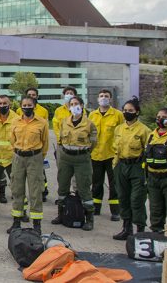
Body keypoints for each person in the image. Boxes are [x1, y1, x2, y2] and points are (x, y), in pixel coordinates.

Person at [52, 96, 97, 231]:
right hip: (66, 158)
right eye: (71, 104)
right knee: (63, 187)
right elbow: (60, 139)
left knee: (83, 189)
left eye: (76, 103)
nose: (74, 106)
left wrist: (83, 152)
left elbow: (94, 143)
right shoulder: (64, 122)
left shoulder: (89, 124)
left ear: (82, 105)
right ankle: (61, 214)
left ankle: (89, 218)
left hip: (82, 159)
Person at [6, 96, 50, 233]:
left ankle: (37, 225)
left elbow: (45, 143)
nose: (26, 107)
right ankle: (16, 222)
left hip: (34, 158)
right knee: (17, 189)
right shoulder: (15, 122)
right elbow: (12, 140)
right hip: (18, 157)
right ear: (20, 107)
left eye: (29, 105)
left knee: (35, 191)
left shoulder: (42, 123)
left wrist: (38, 157)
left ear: (34, 106)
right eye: (24, 105)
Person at [112, 97, 150, 240]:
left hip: (137, 167)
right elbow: (116, 148)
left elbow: (149, 150)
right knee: (123, 197)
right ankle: (126, 228)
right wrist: (115, 165)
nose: (127, 113)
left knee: (137, 199)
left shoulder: (144, 130)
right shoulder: (119, 129)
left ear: (137, 112)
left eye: (131, 110)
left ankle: (140, 229)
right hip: (122, 165)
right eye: (125, 110)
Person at [89, 89, 124, 221]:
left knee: (114, 184)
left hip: (112, 155)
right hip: (96, 154)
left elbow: (122, 133)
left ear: (110, 99)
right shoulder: (92, 115)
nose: (104, 98)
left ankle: (115, 211)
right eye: (101, 96)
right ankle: (96, 208)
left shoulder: (118, 115)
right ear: (98, 99)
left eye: (106, 96)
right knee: (96, 183)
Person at [16, 87, 50, 201]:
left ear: (37, 97)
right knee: (19, 182)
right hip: (21, 152)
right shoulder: (18, 112)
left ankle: (43, 191)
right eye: (29, 94)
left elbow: (45, 138)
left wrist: (41, 155)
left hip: (36, 153)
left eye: (33, 95)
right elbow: (13, 137)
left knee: (39, 178)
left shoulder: (43, 111)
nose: (31, 96)